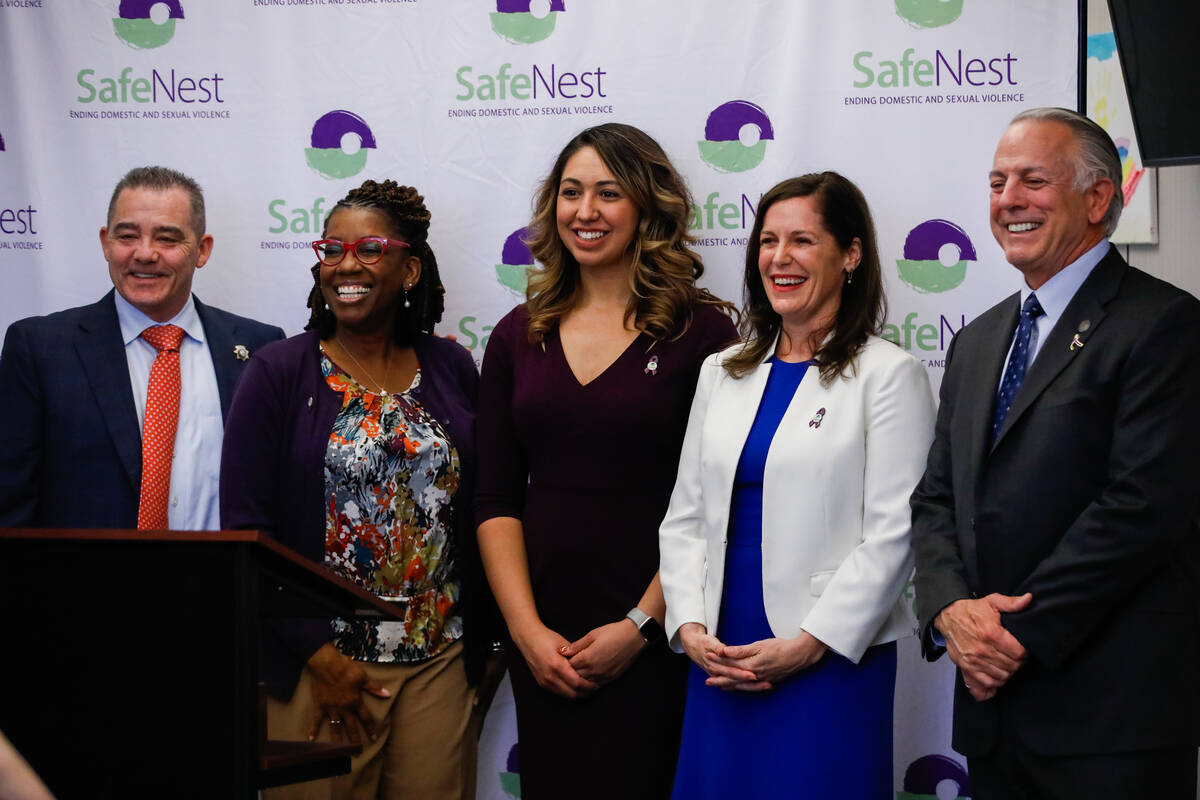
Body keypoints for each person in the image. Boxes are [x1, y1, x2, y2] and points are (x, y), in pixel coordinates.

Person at [911, 107, 1200, 799]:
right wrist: (950, 611)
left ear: (1097, 198)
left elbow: (1141, 508)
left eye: (1033, 180)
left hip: (1111, 719)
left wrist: (1012, 635)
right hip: (993, 714)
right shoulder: (978, 340)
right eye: (997, 182)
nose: (1009, 199)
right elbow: (937, 499)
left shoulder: (1165, 324)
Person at [475, 122, 737, 799]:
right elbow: (495, 498)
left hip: (658, 634)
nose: (585, 211)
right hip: (544, 642)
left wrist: (640, 628)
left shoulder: (704, 333)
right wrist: (526, 633)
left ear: (648, 206)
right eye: (571, 192)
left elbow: (715, 502)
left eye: (608, 193)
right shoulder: (517, 334)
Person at [658, 172, 936, 797]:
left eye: (802, 241)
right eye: (768, 241)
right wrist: (691, 626)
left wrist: (810, 644)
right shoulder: (720, 371)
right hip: (719, 657)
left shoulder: (890, 375)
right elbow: (685, 516)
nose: (779, 258)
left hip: (831, 659)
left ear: (851, 255)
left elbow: (895, 535)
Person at [220, 179, 499, 800]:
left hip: (439, 661)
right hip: (322, 665)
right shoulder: (278, 371)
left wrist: (490, 641)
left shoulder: (452, 368)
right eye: (332, 249)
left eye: (369, 249)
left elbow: (482, 504)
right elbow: (246, 531)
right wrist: (316, 654)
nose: (346, 265)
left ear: (410, 270)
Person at [0, 165, 284, 529]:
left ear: (202, 250)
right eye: (127, 236)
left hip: (225, 567)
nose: (145, 253)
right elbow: (11, 509)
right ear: (106, 242)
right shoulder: (39, 350)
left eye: (166, 238)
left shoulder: (262, 349)